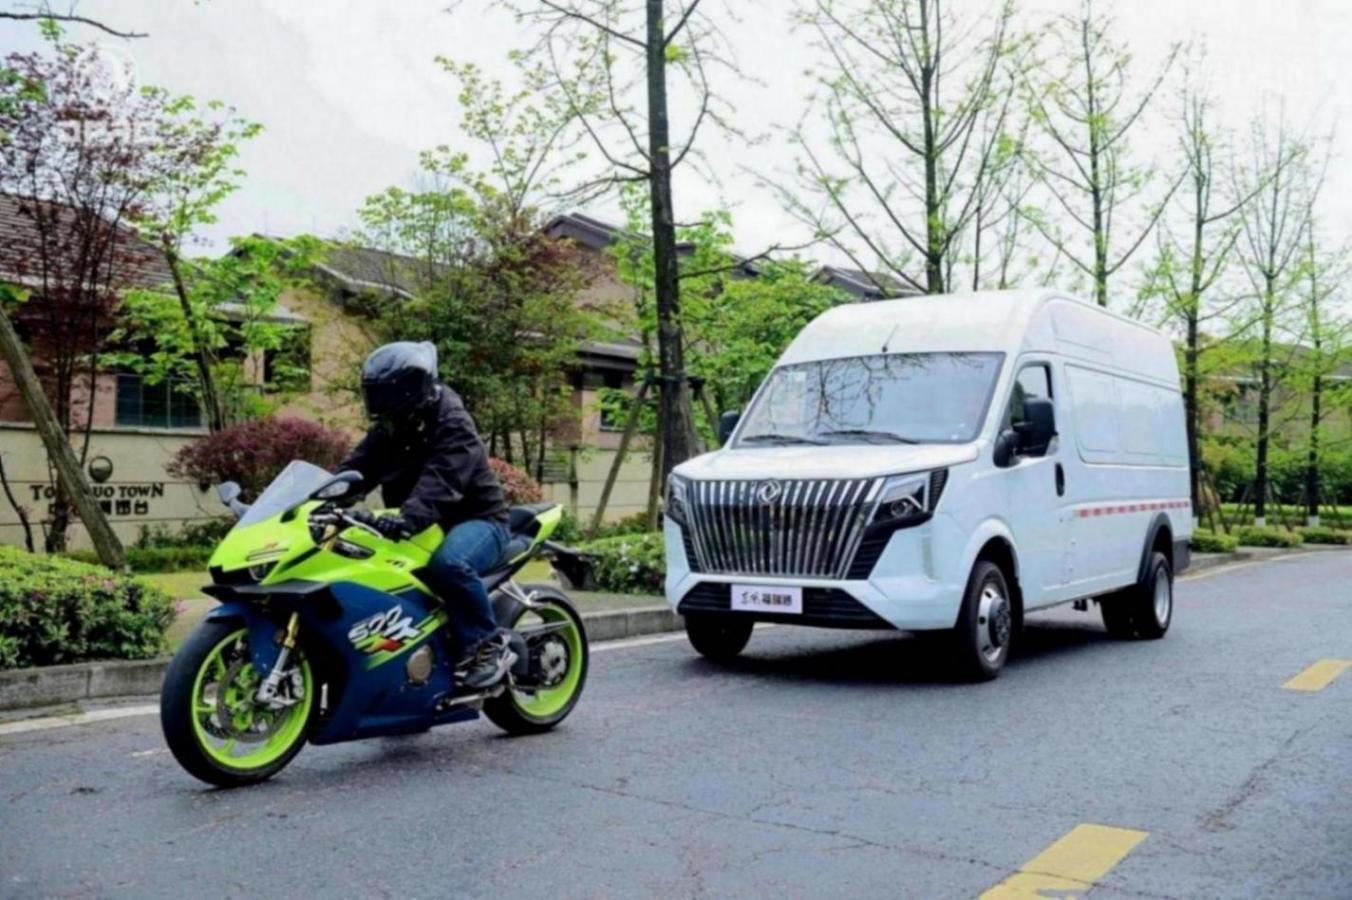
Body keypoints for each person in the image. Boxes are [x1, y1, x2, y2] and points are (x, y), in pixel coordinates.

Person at [340, 341, 513, 690]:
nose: (376, 401)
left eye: (382, 392)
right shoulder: (394, 423)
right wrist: (318, 497)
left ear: (406, 390)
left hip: (477, 520)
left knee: (449, 565)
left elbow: (443, 480)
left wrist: (407, 518)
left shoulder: (452, 423)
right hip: (419, 523)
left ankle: (488, 646)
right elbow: (358, 468)